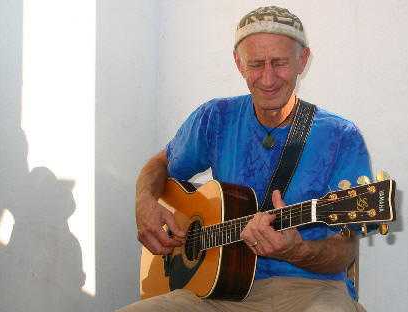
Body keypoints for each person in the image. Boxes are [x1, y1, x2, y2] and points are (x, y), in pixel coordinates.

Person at [119, 6, 370, 312]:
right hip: (213, 292)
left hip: (307, 290)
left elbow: (344, 249)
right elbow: (159, 164)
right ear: (238, 63)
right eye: (255, 64)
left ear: (302, 60)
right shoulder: (216, 118)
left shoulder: (340, 136)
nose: (267, 78)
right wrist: (145, 202)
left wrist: (296, 250)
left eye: (279, 63)